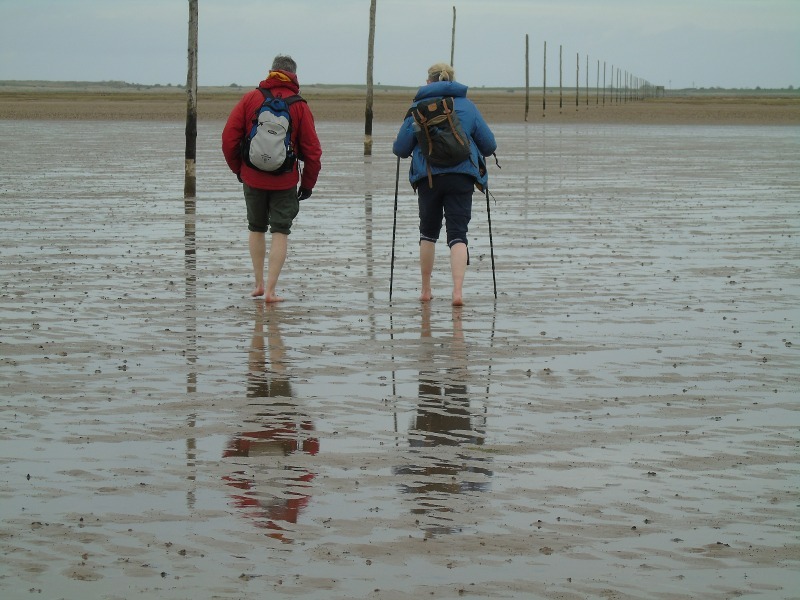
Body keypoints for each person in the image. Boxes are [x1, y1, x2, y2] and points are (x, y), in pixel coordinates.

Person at [392, 62, 497, 306]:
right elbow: (490, 146)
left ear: (428, 82)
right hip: (461, 178)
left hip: (428, 178)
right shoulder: (467, 106)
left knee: (427, 234)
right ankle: (457, 292)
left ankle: (426, 290)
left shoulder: (417, 108)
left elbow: (400, 149)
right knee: (458, 235)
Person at [222, 55, 322, 302]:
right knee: (280, 231)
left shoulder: (251, 98)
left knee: (256, 227)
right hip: (285, 181)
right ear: (294, 75)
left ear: (271, 72)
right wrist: (307, 185)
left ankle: (257, 283)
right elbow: (313, 152)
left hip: (252, 177)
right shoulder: (299, 106)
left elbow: (228, 139)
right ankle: (270, 291)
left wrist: (239, 170)